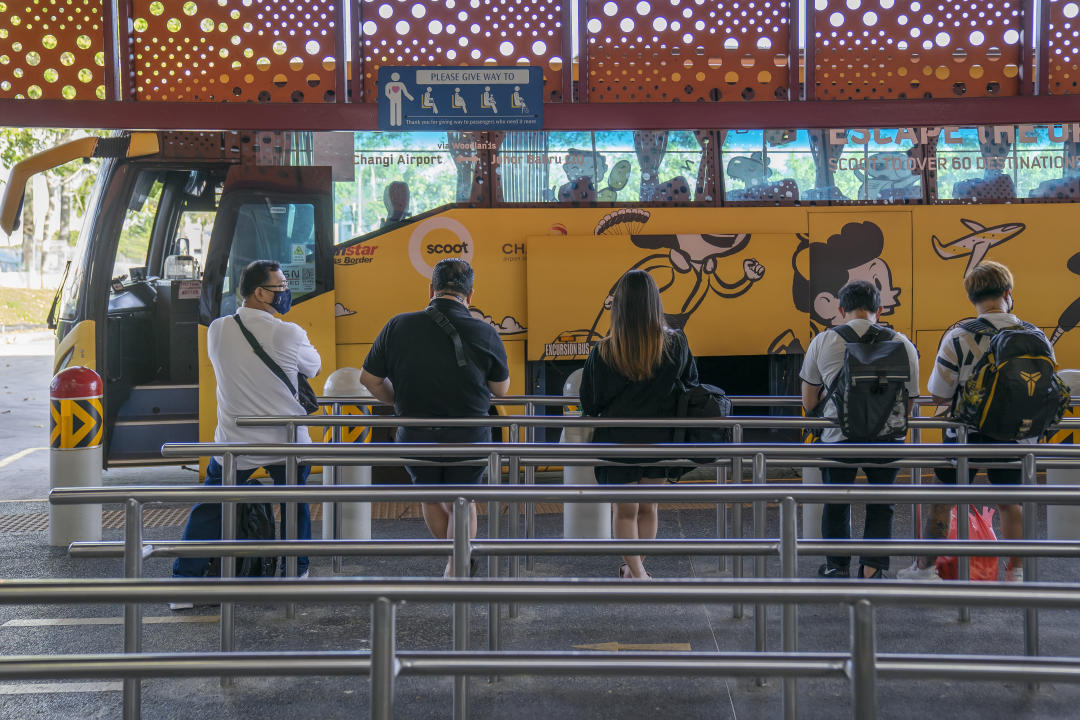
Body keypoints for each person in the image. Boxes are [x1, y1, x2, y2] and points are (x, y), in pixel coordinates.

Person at [171, 260, 321, 607]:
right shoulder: (289, 333)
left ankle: (183, 585)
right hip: (286, 439)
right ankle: (294, 575)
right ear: (260, 292)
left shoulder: (218, 329)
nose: (286, 293)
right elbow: (313, 367)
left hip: (235, 441)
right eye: (281, 287)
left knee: (211, 508)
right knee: (294, 505)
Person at [899, 261, 1048, 582]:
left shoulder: (960, 336)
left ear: (971, 298)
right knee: (1011, 503)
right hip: (1017, 435)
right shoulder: (1035, 336)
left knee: (943, 497)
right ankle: (1016, 573)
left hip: (967, 434)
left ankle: (925, 570)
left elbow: (938, 394)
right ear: (1008, 293)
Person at [360, 258, 510, 577]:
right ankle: (457, 566)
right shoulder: (485, 332)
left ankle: (453, 562)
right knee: (463, 500)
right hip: (468, 437)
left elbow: (369, 379)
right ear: (470, 295)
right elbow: (501, 390)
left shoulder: (398, 325)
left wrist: (398, 401)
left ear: (431, 289)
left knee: (430, 498)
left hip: (416, 435)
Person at [580, 269, 699, 580]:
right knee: (649, 509)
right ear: (654, 303)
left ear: (619, 306)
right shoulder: (676, 344)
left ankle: (636, 571)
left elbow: (590, 403)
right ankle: (636, 569)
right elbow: (692, 385)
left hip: (617, 441)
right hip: (661, 440)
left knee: (624, 511)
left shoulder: (604, 349)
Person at [800, 279, 920, 579]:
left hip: (838, 436)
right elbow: (909, 403)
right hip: (887, 438)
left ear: (841, 309)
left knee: (836, 502)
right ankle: (871, 571)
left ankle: (836, 566)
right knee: (882, 503)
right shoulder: (903, 344)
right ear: (879, 308)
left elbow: (809, 400)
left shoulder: (824, 341)